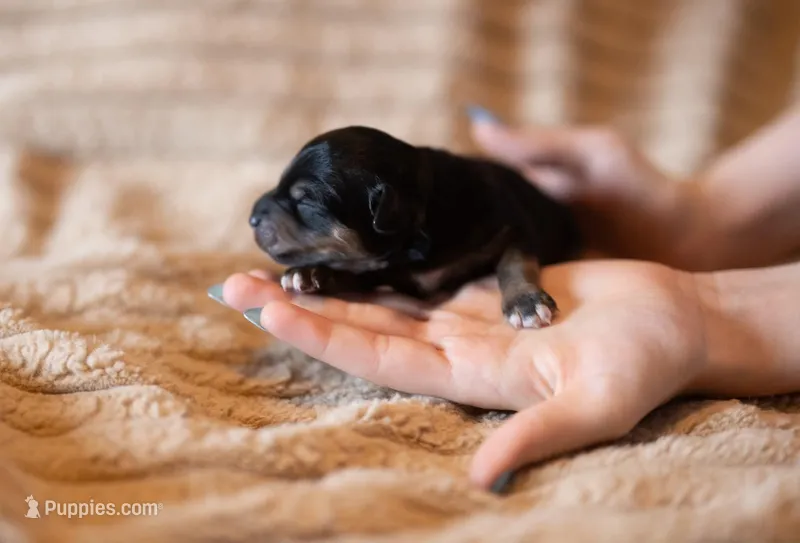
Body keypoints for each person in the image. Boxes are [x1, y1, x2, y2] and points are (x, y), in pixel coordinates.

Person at [210, 104, 800, 492]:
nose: (266, 213)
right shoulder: (386, 230)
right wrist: (705, 219)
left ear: (387, 212)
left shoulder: (477, 216)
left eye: (304, 201)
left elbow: (513, 243)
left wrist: (519, 289)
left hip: (557, 241)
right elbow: (371, 268)